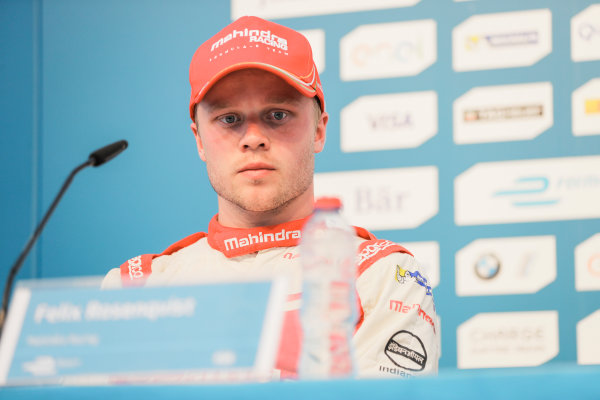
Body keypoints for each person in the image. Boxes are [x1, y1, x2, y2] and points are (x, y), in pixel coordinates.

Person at [102, 15, 439, 379]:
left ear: (319, 131)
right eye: (229, 119)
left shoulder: (381, 275)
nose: (253, 138)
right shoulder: (135, 286)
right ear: (199, 140)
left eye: (277, 115)